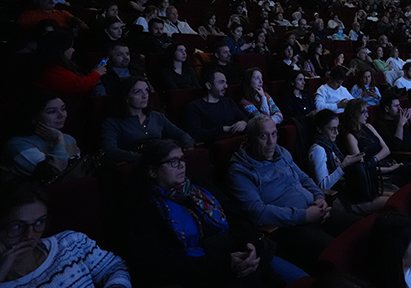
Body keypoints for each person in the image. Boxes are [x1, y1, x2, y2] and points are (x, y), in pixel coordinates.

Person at [124, 139, 306, 287]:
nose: (181, 166)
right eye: (173, 162)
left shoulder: (197, 186)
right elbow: (160, 264)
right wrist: (226, 263)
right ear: (152, 171)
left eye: (182, 159)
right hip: (207, 275)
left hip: (246, 254)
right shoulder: (145, 208)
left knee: (303, 280)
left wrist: (249, 244)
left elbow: (236, 216)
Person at [227, 116, 359, 272]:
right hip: (288, 228)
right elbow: (256, 212)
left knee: (360, 229)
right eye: (264, 135)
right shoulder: (239, 171)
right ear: (248, 139)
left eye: (274, 134)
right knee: (338, 253)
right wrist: (305, 215)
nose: (271, 142)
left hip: (316, 211)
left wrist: (320, 198)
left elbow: (304, 178)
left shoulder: (281, 152)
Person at [0, 182, 131, 286]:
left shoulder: (70, 242)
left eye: (39, 222)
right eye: (17, 226)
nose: (29, 235)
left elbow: (114, 267)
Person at [308, 109, 387, 214]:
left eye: (338, 128)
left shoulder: (331, 146)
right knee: (387, 202)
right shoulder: (318, 150)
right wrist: (343, 165)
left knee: (391, 196)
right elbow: (323, 186)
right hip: (339, 197)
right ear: (319, 129)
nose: (336, 133)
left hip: (349, 190)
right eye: (332, 129)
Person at [102, 77, 194, 162]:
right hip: (136, 166)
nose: (144, 96)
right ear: (126, 97)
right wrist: (144, 159)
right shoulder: (113, 122)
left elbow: (182, 135)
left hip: (162, 162)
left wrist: (187, 146)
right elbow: (109, 151)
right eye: (138, 92)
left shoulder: (157, 117)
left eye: (146, 91)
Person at [2, 93, 80, 181]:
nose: (62, 115)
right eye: (51, 111)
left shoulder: (68, 139)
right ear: (34, 117)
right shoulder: (18, 144)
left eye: (63, 109)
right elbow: (53, 172)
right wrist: (58, 140)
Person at [184, 71, 247, 143]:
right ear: (209, 86)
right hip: (215, 144)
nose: (226, 86)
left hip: (237, 139)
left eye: (225, 82)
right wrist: (222, 130)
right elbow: (195, 134)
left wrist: (243, 122)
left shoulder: (228, 101)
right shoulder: (194, 107)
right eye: (221, 82)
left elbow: (244, 118)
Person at [35, 31, 106, 95]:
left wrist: (92, 74)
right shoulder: (53, 72)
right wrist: (96, 73)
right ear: (61, 50)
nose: (73, 50)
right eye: (70, 47)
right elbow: (80, 85)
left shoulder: (58, 67)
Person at [17, 0, 82, 29]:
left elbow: (78, 23)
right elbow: (21, 30)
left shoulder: (63, 13)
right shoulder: (28, 14)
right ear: (37, 1)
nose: (51, 0)